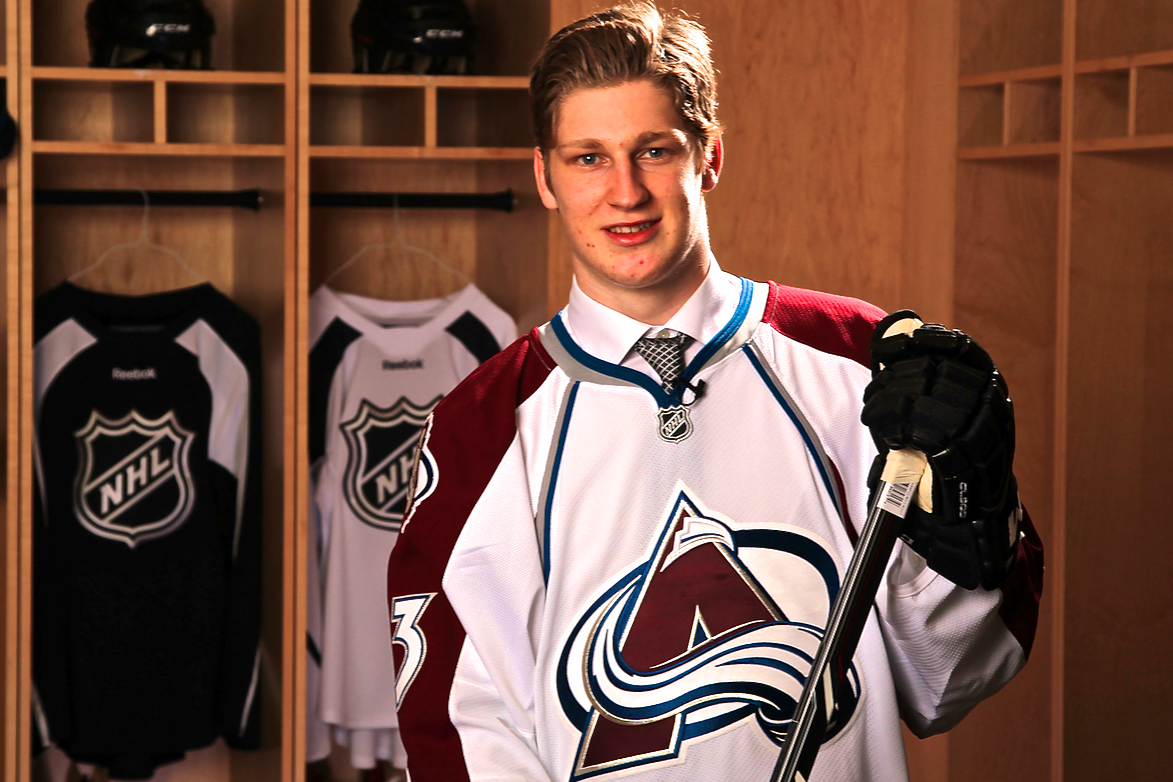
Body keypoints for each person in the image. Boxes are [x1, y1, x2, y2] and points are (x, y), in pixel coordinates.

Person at [385, 3, 1044, 781]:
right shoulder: (479, 430)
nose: (623, 192)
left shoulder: (865, 364)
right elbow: (465, 729)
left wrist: (975, 522)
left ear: (709, 157)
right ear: (545, 177)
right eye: (587, 158)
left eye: (653, 150)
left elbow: (949, 684)